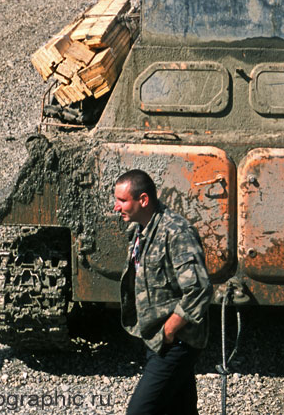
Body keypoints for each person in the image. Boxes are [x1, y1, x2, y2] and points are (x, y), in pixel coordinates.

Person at [115, 169, 213, 415]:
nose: (117, 207)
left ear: (143, 200)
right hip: (157, 338)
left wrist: (168, 331)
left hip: (176, 341)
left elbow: (199, 289)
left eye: (122, 200)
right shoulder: (141, 230)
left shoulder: (176, 232)